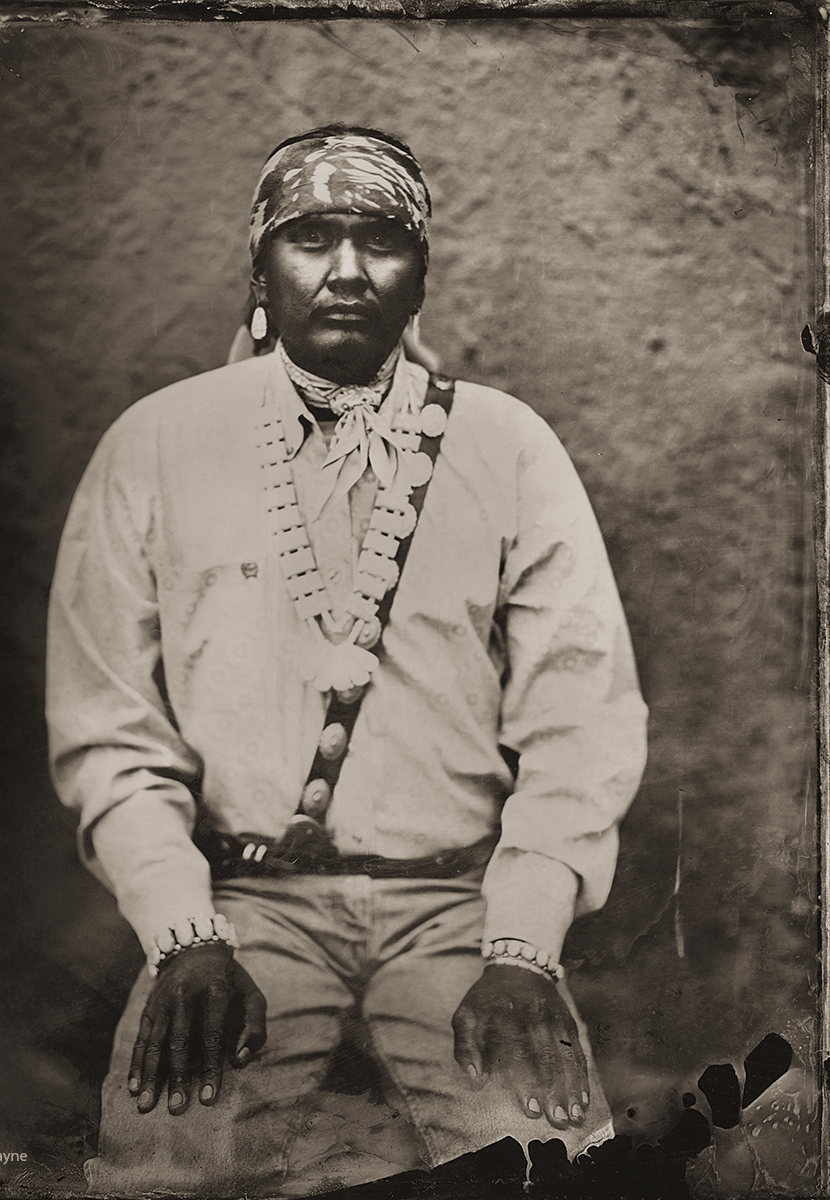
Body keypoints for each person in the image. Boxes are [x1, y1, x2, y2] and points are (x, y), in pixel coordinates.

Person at [46, 125, 648, 1199]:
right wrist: (181, 931)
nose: (346, 270)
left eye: (381, 241)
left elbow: (580, 716)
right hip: (241, 907)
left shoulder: (509, 446)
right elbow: (109, 730)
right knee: (164, 1168)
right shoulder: (157, 444)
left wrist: (522, 946)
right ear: (260, 269)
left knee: (559, 1166)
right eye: (310, 237)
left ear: (419, 275)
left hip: (460, 906)